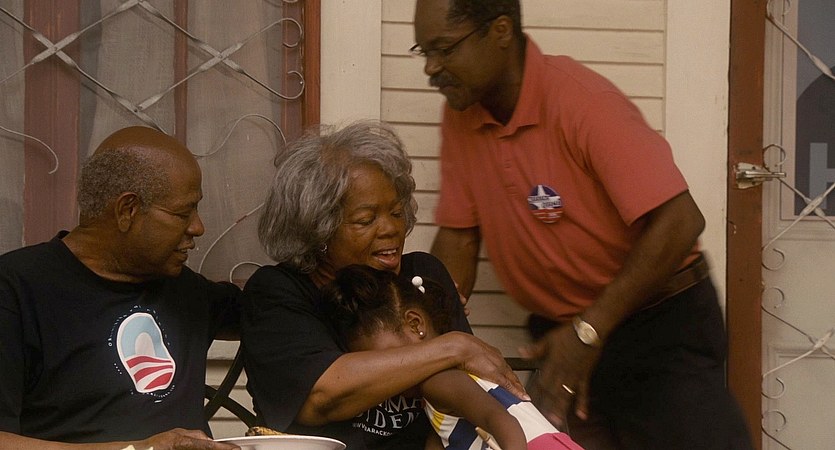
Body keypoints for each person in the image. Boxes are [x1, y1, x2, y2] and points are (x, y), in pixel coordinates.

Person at [411, 1, 754, 448]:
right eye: (425, 52)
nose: (431, 67)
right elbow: (459, 238)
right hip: (566, 336)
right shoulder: (462, 114)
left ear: (500, 31)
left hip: (657, 330)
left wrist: (587, 333)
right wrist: (425, 342)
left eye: (445, 49)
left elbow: (680, 221)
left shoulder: (582, 100)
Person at [240, 120, 525, 450]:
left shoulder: (422, 273)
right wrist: (453, 347)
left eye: (396, 212)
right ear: (317, 231)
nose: (391, 229)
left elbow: (464, 393)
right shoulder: (277, 291)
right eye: (366, 219)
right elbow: (322, 397)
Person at [0, 126, 241, 450]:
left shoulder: (186, 290)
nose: (198, 227)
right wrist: (138, 449)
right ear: (128, 210)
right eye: (182, 213)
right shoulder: (16, 291)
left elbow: (277, 310)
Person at [320, 264, 584, 450]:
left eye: (387, 359)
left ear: (415, 324)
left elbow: (501, 421)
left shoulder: (438, 379)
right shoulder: (437, 395)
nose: (386, 374)